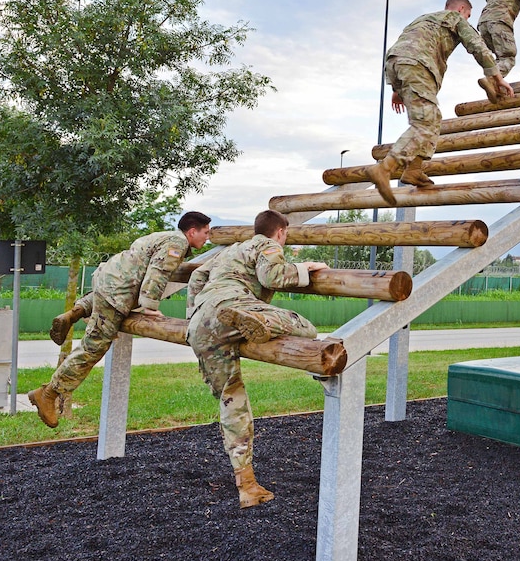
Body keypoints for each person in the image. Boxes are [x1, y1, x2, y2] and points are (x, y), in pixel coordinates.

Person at [186, 209, 328, 508]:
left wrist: (191, 315)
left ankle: (247, 484)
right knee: (307, 328)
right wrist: (304, 268)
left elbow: (197, 276)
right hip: (234, 305)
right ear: (281, 232)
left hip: (202, 323)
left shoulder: (230, 251)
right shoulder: (267, 244)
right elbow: (272, 275)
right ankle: (260, 324)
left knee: (231, 399)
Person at [29, 212, 212, 428]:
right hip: (117, 292)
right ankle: (49, 393)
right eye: (206, 232)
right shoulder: (177, 243)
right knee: (93, 347)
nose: (208, 238)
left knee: (98, 317)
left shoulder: (164, 236)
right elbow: (159, 272)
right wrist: (150, 306)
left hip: (108, 278)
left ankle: (76, 311)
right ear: (192, 231)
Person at [366, 0, 514, 206]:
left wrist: (397, 88)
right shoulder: (454, 19)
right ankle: (384, 169)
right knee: (425, 122)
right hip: (417, 63)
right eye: (469, 15)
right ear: (461, 9)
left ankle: (414, 170)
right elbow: (478, 47)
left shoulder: (423, 19)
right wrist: (498, 78)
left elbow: (402, 46)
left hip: (397, 63)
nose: (468, 20)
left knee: (433, 117)